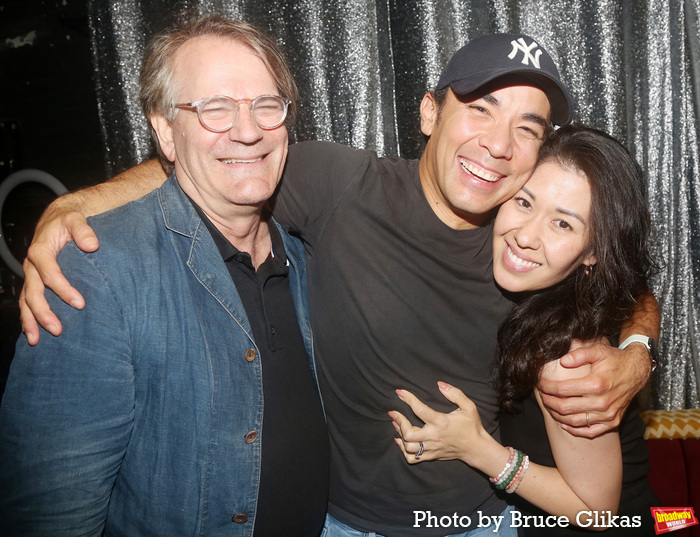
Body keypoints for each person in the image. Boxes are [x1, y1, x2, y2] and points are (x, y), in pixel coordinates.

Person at [16, 33, 660, 536]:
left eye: (527, 127)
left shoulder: (529, 248)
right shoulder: (341, 185)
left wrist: (636, 349)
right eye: (481, 108)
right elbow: (224, 163)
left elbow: (610, 284)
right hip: (344, 525)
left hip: (478, 524)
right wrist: (77, 207)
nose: (498, 142)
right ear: (430, 112)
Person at [0, 15, 329, 536]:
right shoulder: (95, 273)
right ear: (165, 134)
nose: (248, 130)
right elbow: (48, 514)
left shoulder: (306, 255)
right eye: (214, 109)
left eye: (267, 105)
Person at [391, 125, 658, 535]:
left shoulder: (567, 357)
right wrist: (641, 345)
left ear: (593, 253)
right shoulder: (542, 286)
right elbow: (638, 291)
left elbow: (598, 513)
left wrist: (478, 450)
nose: (526, 236)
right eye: (525, 202)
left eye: (563, 225)